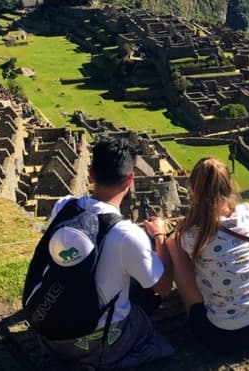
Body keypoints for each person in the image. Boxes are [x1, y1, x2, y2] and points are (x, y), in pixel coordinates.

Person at [38, 137, 174, 369]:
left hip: (49, 330)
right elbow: (163, 287)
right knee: (145, 312)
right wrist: (159, 237)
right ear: (130, 179)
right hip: (93, 345)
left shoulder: (63, 207)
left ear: (91, 174)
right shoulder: (127, 234)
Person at [167, 158, 249, 354]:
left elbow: (190, 263)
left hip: (220, 337)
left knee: (173, 244)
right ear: (230, 186)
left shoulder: (190, 235)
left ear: (192, 191)